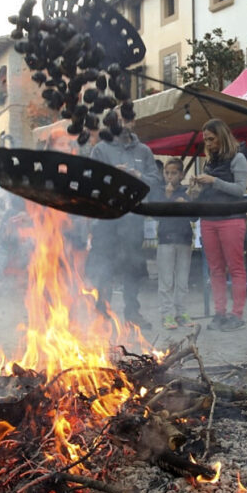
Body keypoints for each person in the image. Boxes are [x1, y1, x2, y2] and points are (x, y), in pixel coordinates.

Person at [87, 107, 162, 330]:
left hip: (133, 220)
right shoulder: (100, 150)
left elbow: (155, 181)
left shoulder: (144, 151)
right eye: (120, 119)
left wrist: (139, 177)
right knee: (105, 267)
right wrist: (110, 175)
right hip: (107, 220)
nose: (125, 122)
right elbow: (91, 182)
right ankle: (102, 312)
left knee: (132, 267)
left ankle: (132, 314)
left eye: (128, 118)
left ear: (133, 121)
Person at [191, 118, 247, 332]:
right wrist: (198, 189)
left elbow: (240, 190)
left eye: (211, 139)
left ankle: (237, 314)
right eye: (205, 140)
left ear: (222, 137)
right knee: (215, 269)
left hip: (231, 219)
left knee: (235, 268)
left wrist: (214, 181)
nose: (208, 143)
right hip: (209, 219)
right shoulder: (210, 161)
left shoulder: (238, 157)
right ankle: (220, 313)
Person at [156, 158, 194, 330]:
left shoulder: (187, 193)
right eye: (167, 173)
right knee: (166, 280)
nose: (169, 177)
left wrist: (187, 205)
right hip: (165, 240)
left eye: (174, 173)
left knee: (182, 280)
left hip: (184, 240)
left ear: (182, 175)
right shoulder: (160, 193)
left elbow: (195, 216)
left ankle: (182, 313)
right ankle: (167, 314)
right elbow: (157, 215)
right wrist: (169, 198)